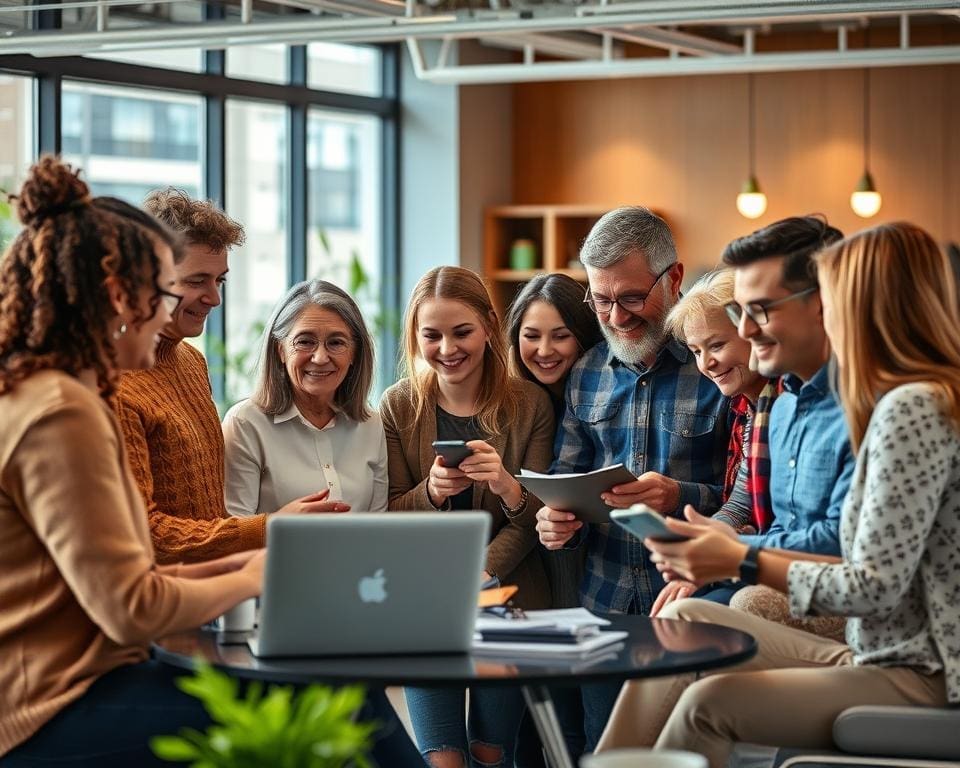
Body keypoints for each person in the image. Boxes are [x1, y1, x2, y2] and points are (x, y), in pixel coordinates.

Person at [596, 221, 959, 768]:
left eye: (827, 299)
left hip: (921, 670)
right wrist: (726, 551)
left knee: (707, 703)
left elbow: (873, 586)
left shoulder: (909, 407)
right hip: (876, 651)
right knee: (687, 623)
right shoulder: (877, 403)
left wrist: (740, 559)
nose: (745, 328)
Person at [0, 157, 265, 766]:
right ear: (123, 298)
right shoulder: (63, 409)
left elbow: (129, 579)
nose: (178, 309)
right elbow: (131, 610)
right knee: (319, 705)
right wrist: (257, 574)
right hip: (48, 704)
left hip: (72, 681)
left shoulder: (49, 389)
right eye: (166, 291)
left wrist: (253, 559)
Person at [533, 206, 730, 751]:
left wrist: (681, 496)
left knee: (696, 753)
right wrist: (554, 518)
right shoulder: (587, 372)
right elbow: (564, 476)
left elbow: (750, 500)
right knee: (610, 752)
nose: (616, 317)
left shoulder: (717, 362)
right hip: (606, 604)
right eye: (600, 300)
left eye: (632, 298)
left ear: (674, 278)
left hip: (703, 601)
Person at [380, 265, 555, 768]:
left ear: (488, 329)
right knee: (443, 757)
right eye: (431, 335)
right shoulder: (397, 407)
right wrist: (430, 494)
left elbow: (537, 519)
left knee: (490, 750)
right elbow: (390, 513)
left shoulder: (529, 404)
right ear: (415, 336)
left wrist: (504, 485)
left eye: (462, 332)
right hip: (427, 601)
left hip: (509, 597)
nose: (447, 349)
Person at [115, 189, 340, 564]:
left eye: (219, 281)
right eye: (196, 281)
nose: (214, 298)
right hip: (160, 604)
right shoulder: (118, 386)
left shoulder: (190, 361)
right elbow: (144, 531)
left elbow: (207, 511)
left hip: (208, 590)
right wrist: (267, 528)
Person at [505, 273, 603, 763]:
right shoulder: (514, 403)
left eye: (561, 334)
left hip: (583, 566)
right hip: (525, 568)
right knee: (527, 719)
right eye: (531, 334)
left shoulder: (602, 392)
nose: (544, 349)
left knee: (574, 715)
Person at [222, 279, 386, 516]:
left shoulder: (371, 423)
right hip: (274, 555)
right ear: (280, 350)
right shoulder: (245, 423)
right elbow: (234, 534)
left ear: (355, 354)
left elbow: (378, 526)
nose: (320, 357)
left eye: (336, 343)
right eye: (305, 342)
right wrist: (283, 522)